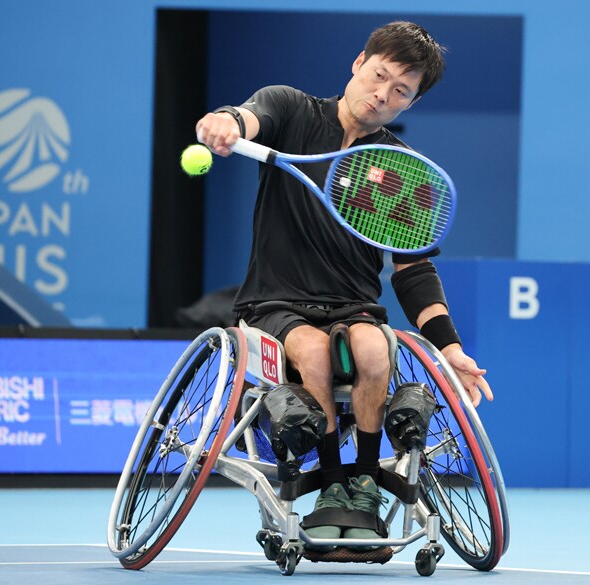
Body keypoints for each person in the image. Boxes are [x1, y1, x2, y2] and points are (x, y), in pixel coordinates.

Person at [196, 21, 493, 550]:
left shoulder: (401, 173)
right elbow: (249, 117)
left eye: (400, 90)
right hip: (274, 303)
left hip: (354, 307)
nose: (382, 95)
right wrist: (224, 121)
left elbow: (413, 272)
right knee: (313, 349)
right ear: (359, 63)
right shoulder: (290, 109)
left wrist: (450, 349)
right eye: (379, 76)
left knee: (375, 350)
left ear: (411, 102)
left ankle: (364, 484)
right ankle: (331, 481)